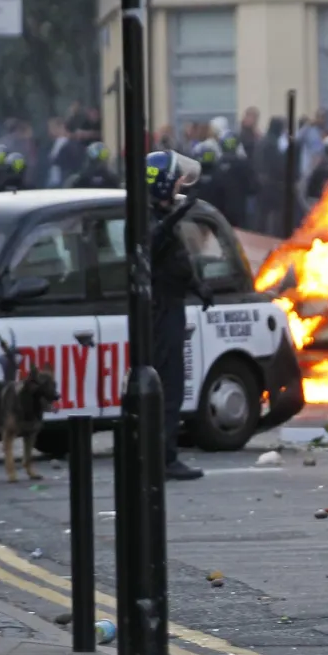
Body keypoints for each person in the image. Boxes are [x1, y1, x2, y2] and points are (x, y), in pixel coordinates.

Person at [146, 150, 214, 482]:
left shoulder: (159, 214)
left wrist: (198, 287)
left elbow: (176, 261)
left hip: (172, 304)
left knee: (173, 383)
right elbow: (151, 244)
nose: (177, 189)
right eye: (174, 184)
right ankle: (164, 457)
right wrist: (176, 215)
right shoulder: (147, 218)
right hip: (159, 310)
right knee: (168, 384)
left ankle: (163, 453)